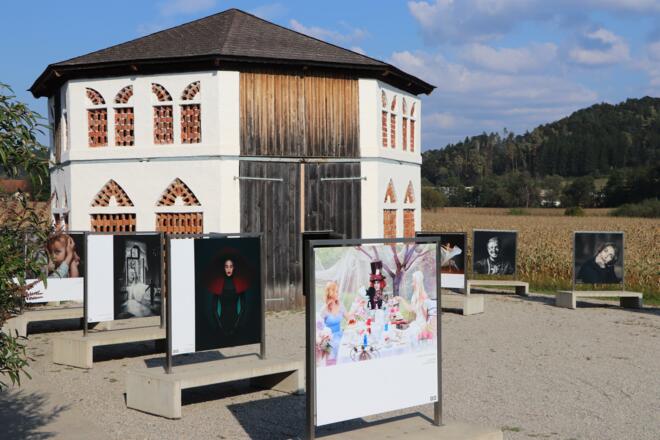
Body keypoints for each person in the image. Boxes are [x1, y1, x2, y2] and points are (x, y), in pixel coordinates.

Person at [210, 258, 250, 336]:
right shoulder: (218, 284)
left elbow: (243, 308)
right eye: (226, 266)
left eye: (231, 266)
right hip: (221, 323)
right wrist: (220, 326)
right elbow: (214, 309)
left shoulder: (239, 284)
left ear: (234, 268)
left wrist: (236, 326)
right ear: (223, 268)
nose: (229, 269)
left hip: (236, 323)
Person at [319, 281, 351, 365]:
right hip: (328, 339)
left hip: (340, 335)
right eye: (336, 291)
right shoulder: (324, 309)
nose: (337, 293)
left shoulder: (340, 305)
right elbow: (318, 326)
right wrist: (326, 306)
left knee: (345, 348)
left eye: (337, 291)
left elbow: (349, 318)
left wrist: (357, 308)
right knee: (330, 352)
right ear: (330, 293)